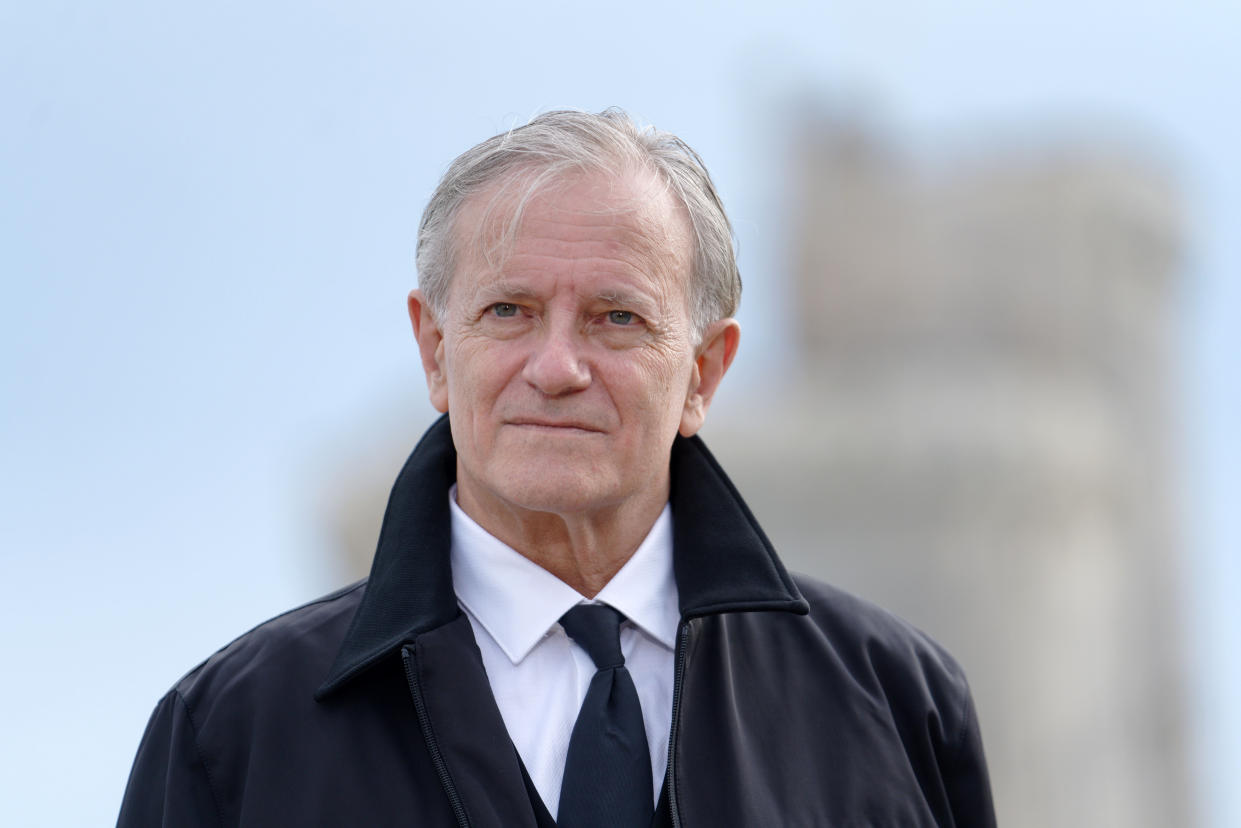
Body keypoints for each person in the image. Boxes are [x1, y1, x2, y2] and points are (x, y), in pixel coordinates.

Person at [117, 108, 996, 827]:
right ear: (434, 352)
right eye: (508, 310)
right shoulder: (233, 735)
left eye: (616, 318)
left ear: (703, 373)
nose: (556, 367)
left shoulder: (893, 703)